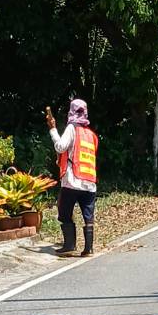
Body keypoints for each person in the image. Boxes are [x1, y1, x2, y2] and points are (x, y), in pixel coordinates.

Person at [46, 98, 99, 258]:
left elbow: (61, 147)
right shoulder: (91, 135)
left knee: (64, 213)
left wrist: (53, 129)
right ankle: (88, 249)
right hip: (89, 183)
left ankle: (69, 246)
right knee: (88, 216)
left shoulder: (72, 128)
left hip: (72, 181)